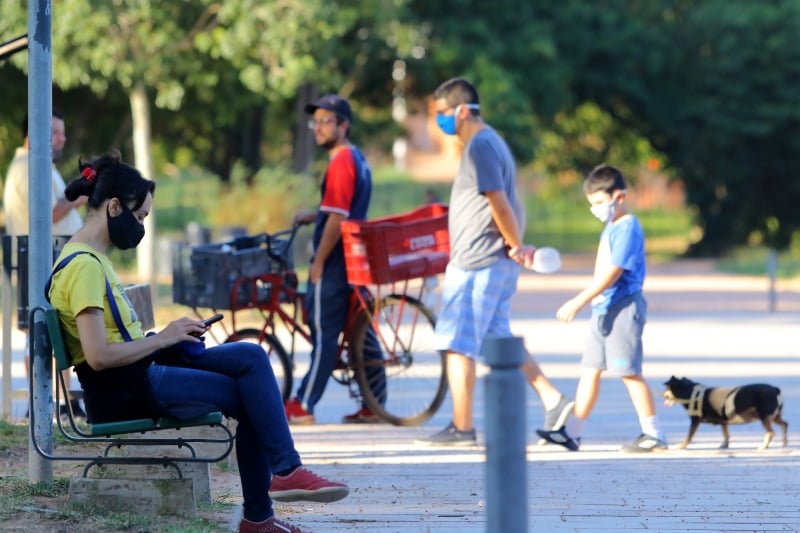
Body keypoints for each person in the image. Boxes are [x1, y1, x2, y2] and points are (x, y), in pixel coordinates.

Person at [47, 152, 349, 533]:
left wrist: (172, 337)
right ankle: (264, 508)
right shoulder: (84, 267)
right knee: (248, 395)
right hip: (122, 388)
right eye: (139, 217)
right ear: (113, 206)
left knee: (251, 355)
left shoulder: (93, 259)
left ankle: (283, 475)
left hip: (139, 373)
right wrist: (164, 340)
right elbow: (99, 356)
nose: (140, 227)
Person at [416, 77, 573, 446]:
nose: (439, 123)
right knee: (498, 338)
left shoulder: (480, 146)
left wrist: (515, 244)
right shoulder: (489, 142)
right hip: (488, 260)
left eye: (441, 114)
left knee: (458, 343)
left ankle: (462, 427)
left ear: (461, 111)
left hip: (478, 262)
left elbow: (498, 201)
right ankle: (554, 400)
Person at [536, 164, 668, 453]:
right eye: (591, 204)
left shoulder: (628, 227)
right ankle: (572, 433)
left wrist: (578, 300)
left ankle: (653, 433)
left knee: (628, 371)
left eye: (599, 202)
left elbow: (613, 272)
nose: (595, 209)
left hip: (622, 308)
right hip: (602, 309)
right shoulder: (612, 227)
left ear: (618, 196)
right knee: (590, 370)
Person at [284, 94, 387, 426]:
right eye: (315, 121)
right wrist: (314, 214)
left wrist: (318, 262)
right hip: (354, 261)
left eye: (326, 121)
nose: (318, 128)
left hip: (336, 262)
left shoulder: (341, 161)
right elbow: (340, 209)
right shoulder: (356, 157)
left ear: (343, 125)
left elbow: (339, 219)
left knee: (323, 332)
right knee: (359, 329)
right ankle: (375, 404)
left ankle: (303, 404)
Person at [3, 109, 88, 419]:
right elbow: (49, 215)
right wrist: (81, 197)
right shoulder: (28, 167)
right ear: (35, 133)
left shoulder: (38, 165)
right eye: (55, 132)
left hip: (52, 254)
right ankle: (41, 402)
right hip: (41, 257)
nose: (61, 138)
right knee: (38, 328)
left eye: (62, 132)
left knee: (58, 328)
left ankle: (63, 401)